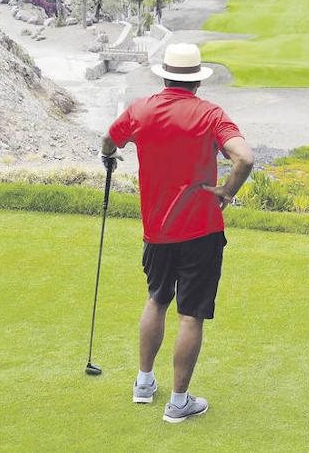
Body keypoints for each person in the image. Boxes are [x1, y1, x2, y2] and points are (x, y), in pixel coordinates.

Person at [101, 43, 254, 424]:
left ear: (165, 76)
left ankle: (143, 383)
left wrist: (109, 156)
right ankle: (178, 403)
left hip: (157, 231)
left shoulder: (141, 110)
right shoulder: (211, 114)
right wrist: (228, 193)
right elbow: (245, 158)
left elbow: (109, 140)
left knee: (156, 299)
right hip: (201, 231)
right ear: (197, 81)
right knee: (191, 316)